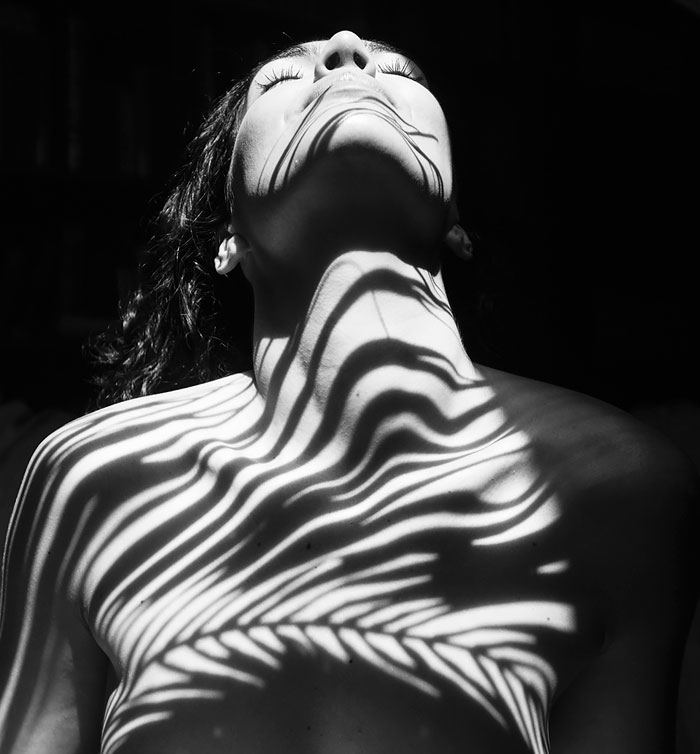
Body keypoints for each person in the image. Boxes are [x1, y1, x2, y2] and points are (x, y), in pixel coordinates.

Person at [0, 29, 697, 754]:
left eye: (400, 72)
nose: (346, 49)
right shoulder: (97, 480)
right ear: (226, 235)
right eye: (282, 79)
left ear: (458, 221)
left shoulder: (617, 486)